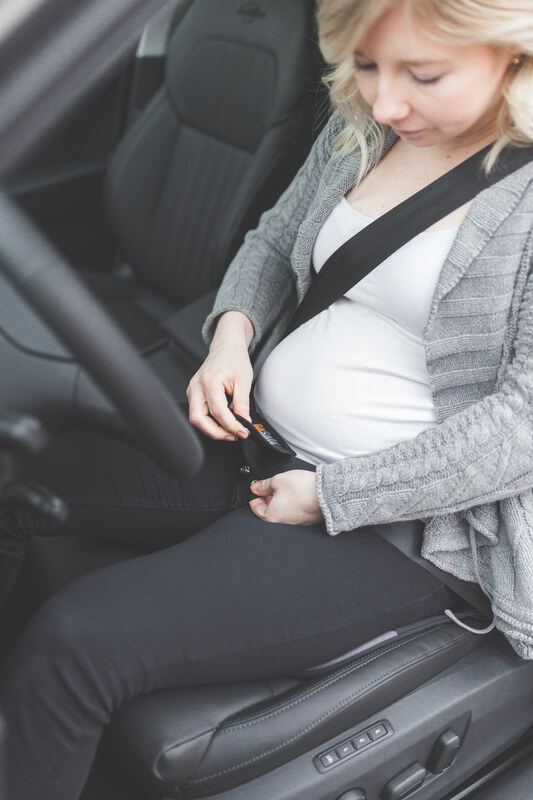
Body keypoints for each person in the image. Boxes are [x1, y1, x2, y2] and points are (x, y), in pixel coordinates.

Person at [1, 0, 533, 797]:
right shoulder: (367, 124)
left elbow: (521, 426)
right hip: (250, 440)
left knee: (77, 643)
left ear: (512, 59)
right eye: (365, 65)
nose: (385, 100)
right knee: (15, 473)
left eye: (422, 75)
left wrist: (330, 494)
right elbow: (274, 239)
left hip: (400, 525)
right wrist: (231, 337)